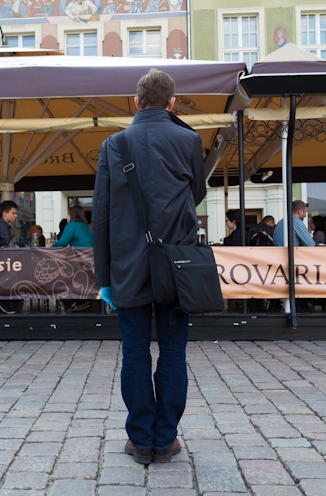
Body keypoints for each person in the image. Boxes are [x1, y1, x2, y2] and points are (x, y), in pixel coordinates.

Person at [93, 69, 204, 465]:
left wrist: (103, 277)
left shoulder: (114, 144)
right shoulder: (189, 139)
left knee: (135, 352)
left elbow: (101, 216)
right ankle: (166, 437)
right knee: (174, 352)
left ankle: (141, 439)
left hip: (127, 266)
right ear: (173, 103)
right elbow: (198, 193)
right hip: (177, 265)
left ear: (134, 102)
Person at [51, 205, 94, 313]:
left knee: (57, 276)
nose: (67, 216)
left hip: (80, 265)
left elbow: (62, 243)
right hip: (89, 263)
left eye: (68, 213)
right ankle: (80, 301)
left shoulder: (71, 225)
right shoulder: (84, 226)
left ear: (71, 215)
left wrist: (49, 250)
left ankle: (71, 303)